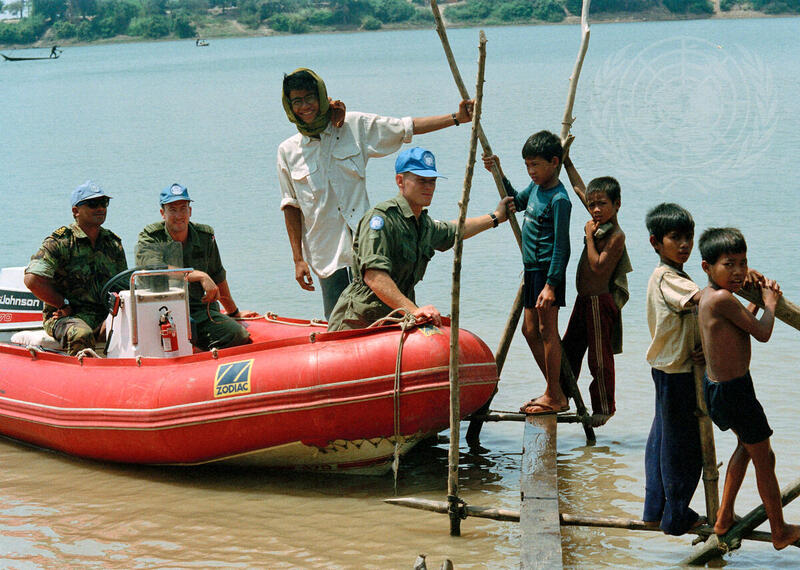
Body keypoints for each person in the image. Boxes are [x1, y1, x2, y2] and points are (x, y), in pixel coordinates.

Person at [277, 67, 475, 319]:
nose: (305, 106)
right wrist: (298, 259)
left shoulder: (353, 126)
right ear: (289, 106)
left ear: (321, 96)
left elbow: (405, 127)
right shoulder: (287, 151)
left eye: (310, 98)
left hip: (370, 248)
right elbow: (291, 206)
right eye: (297, 101)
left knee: (391, 317)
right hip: (327, 254)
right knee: (339, 323)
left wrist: (456, 118)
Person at [327, 147, 514, 331]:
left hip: (393, 320)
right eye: (421, 181)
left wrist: (496, 217)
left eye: (432, 181)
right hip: (358, 322)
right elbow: (375, 277)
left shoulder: (423, 224)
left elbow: (456, 229)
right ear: (400, 181)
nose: (428, 187)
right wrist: (415, 311)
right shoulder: (382, 219)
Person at [697, 228, 800, 549]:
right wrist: (770, 303)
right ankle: (780, 532)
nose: (739, 271)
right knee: (764, 458)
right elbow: (762, 333)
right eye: (729, 264)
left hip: (723, 389)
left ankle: (724, 517)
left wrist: (757, 302)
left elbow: (742, 324)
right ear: (707, 267)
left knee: (746, 446)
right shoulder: (722, 298)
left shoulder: (710, 296)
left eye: (743, 263)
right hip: (735, 393)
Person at [482, 130, 571, 415]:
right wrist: (498, 172)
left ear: (554, 162)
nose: (531, 171)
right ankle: (555, 389)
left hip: (547, 273)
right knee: (529, 330)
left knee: (547, 331)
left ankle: (554, 394)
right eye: (527, 166)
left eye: (536, 165)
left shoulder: (559, 199)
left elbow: (562, 246)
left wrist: (552, 285)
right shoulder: (534, 189)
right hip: (531, 271)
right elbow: (514, 203)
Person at [641, 202, 704, 535]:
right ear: (655, 242)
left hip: (667, 368)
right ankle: (676, 515)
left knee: (663, 439)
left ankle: (655, 509)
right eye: (675, 238)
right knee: (684, 448)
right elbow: (704, 301)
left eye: (689, 238)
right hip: (677, 373)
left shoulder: (672, 275)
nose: (684, 245)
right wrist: (735, 284)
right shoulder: (669, 277)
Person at [136, 183, 258, 351]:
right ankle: (194, 353)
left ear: (190, 211)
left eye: (183, 208)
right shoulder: (151, 237)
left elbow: (218, 276)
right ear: (162, 213)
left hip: (201, 311)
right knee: (174, 340)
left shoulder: (205, 237)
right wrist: (198, 275)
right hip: (162, 313)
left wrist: (234, 313)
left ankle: (201, 356)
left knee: (238, 335)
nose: (179, 215)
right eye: (172, 210)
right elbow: (154, 268)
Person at [561, 153, 632, 427]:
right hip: (584, 300)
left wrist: (589, 237)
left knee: (599, 359)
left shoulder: (614, 235)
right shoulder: (597, 220)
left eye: (602, 204)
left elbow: (599, 266)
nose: (596, 209)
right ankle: (562, 394)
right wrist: (567, 162)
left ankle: (604, 407)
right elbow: (581, 189)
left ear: (617, 204)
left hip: (599, 302)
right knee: (570, 348)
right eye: (592, 205)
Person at [24, 181, 127, 356]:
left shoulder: (113, 243)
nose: (100, 208)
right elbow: (32, 280)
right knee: (82, 333)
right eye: (93, 204)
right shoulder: (60, 242)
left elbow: (122, 286)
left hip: (104, 315)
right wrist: (62, 303)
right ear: (75, 211)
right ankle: (83, 377)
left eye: (104, 203)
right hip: (66, 317)